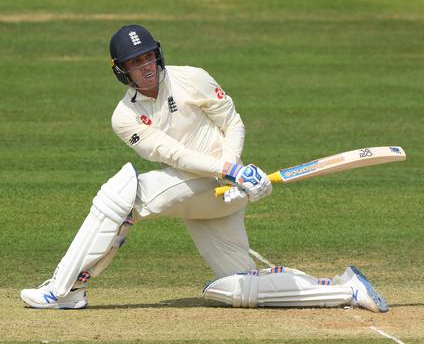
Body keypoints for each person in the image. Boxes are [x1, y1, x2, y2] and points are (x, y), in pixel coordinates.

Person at [19, 24, 388, 313]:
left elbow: (233, 123)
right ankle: (346, 288)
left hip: (223, 188)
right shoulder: (125, 117)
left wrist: (236, 170)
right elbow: (175, 154)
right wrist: (230, 170)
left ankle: (62, 289)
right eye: (134, 63)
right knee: (236, 286)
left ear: (158, 55)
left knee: (125, 193)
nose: (144, 67)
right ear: (121, 71)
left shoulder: (192, 76)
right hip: (199, 187)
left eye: (148, 57)